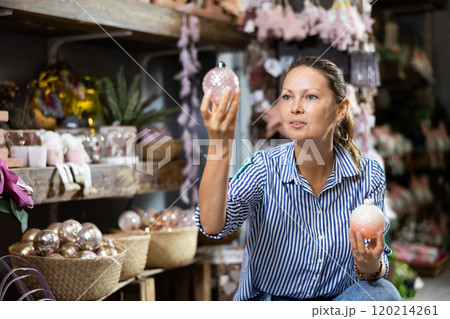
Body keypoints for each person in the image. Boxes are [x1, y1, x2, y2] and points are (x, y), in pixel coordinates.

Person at [195, 56, 402, 301]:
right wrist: (220, 143)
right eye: (287, 96)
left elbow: (376, 267)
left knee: (383, 293)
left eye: (311, 96)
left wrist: (369, 265)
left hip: (337, 302)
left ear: (340, 109)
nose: (295, 107)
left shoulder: (368, 174)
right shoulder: (264, 168)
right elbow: (212, 225)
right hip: (273, 303)